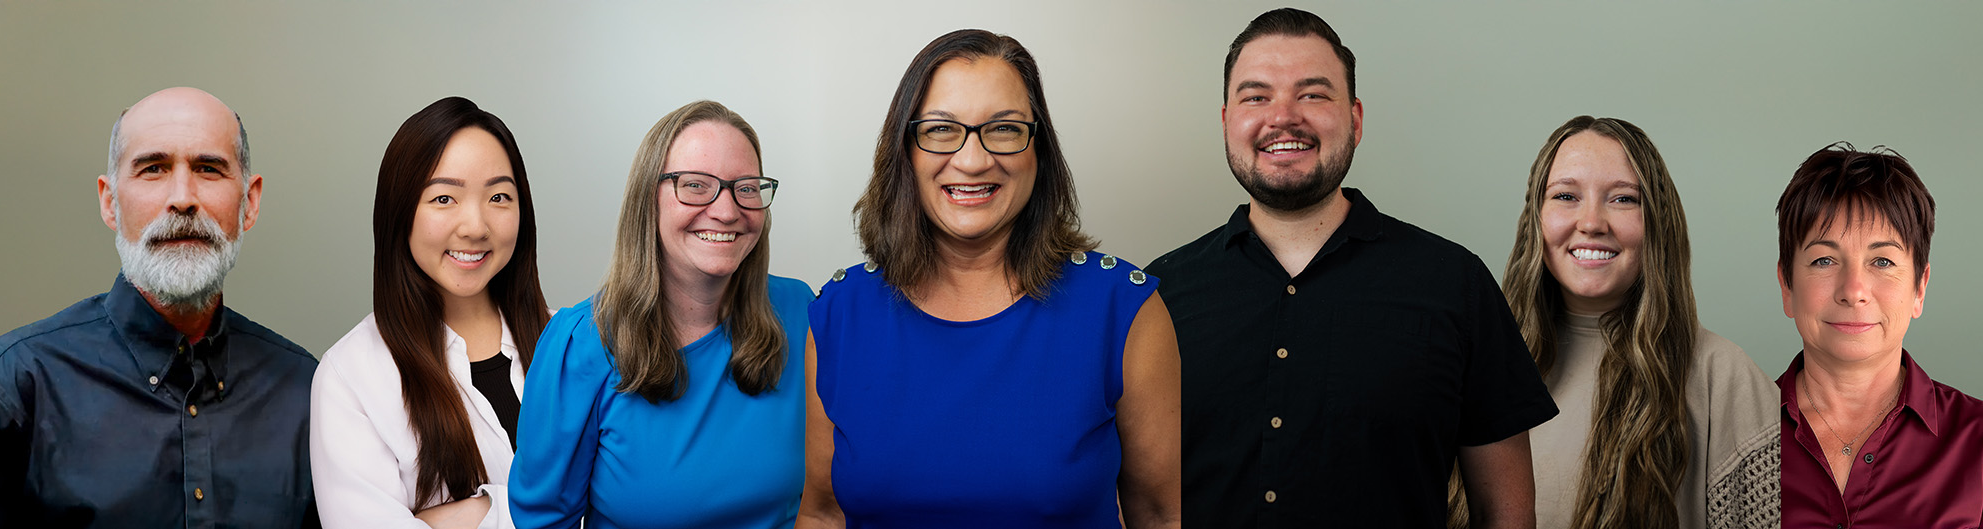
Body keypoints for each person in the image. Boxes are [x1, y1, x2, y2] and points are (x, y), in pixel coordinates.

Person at [1146, 9, 1557, 528]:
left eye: (1313, 94)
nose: (1283, 116)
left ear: (1356, 119)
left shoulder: (1455, 284)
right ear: (1227, 121)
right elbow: (1140, 505)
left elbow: (1507, 514)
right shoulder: (1159, 295)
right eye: (1256, 96)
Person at [796, 29, 1182, 529]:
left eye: (1003, 128)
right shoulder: (838, 315)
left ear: (1037, 148)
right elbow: (823, 515)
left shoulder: (1124, 310)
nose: (974, 160)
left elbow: (1159, 515)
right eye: (940, 129)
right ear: (905, 150)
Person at [0, 87, 319, 527]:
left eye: (209, 169)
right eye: (153, 169)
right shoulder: (11, 386)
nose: (183, 198)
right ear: (110, 202)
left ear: (249, 203)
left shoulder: (307, 392)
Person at [509, 100, 810, 529]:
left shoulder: (801, 314)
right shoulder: (580, 345)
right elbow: (542, 522)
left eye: (746, 187)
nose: (726, 211)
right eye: (695, 185)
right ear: (648, 199)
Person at [1476, 116, 1777, 529]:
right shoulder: (1482, 367)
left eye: (1622, 199)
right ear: (1536, 220)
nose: (1592, 222)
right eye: (1566, 196)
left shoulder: (1719, 375)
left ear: (1657, 221)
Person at [310, 96, 550, 528]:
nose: (475, 226)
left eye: (499, 196)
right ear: (400, 212)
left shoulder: (574, 341)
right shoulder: (350, 378)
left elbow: (638, 504)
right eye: (444, 199)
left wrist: (478, 513)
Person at [1775, 143, 1981, 526]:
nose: (1853, 290)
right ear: (1787, 286)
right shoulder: (1727, 441)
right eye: (1824, 260)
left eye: (1882, 261)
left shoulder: (1977, 440)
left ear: (1920, 287)